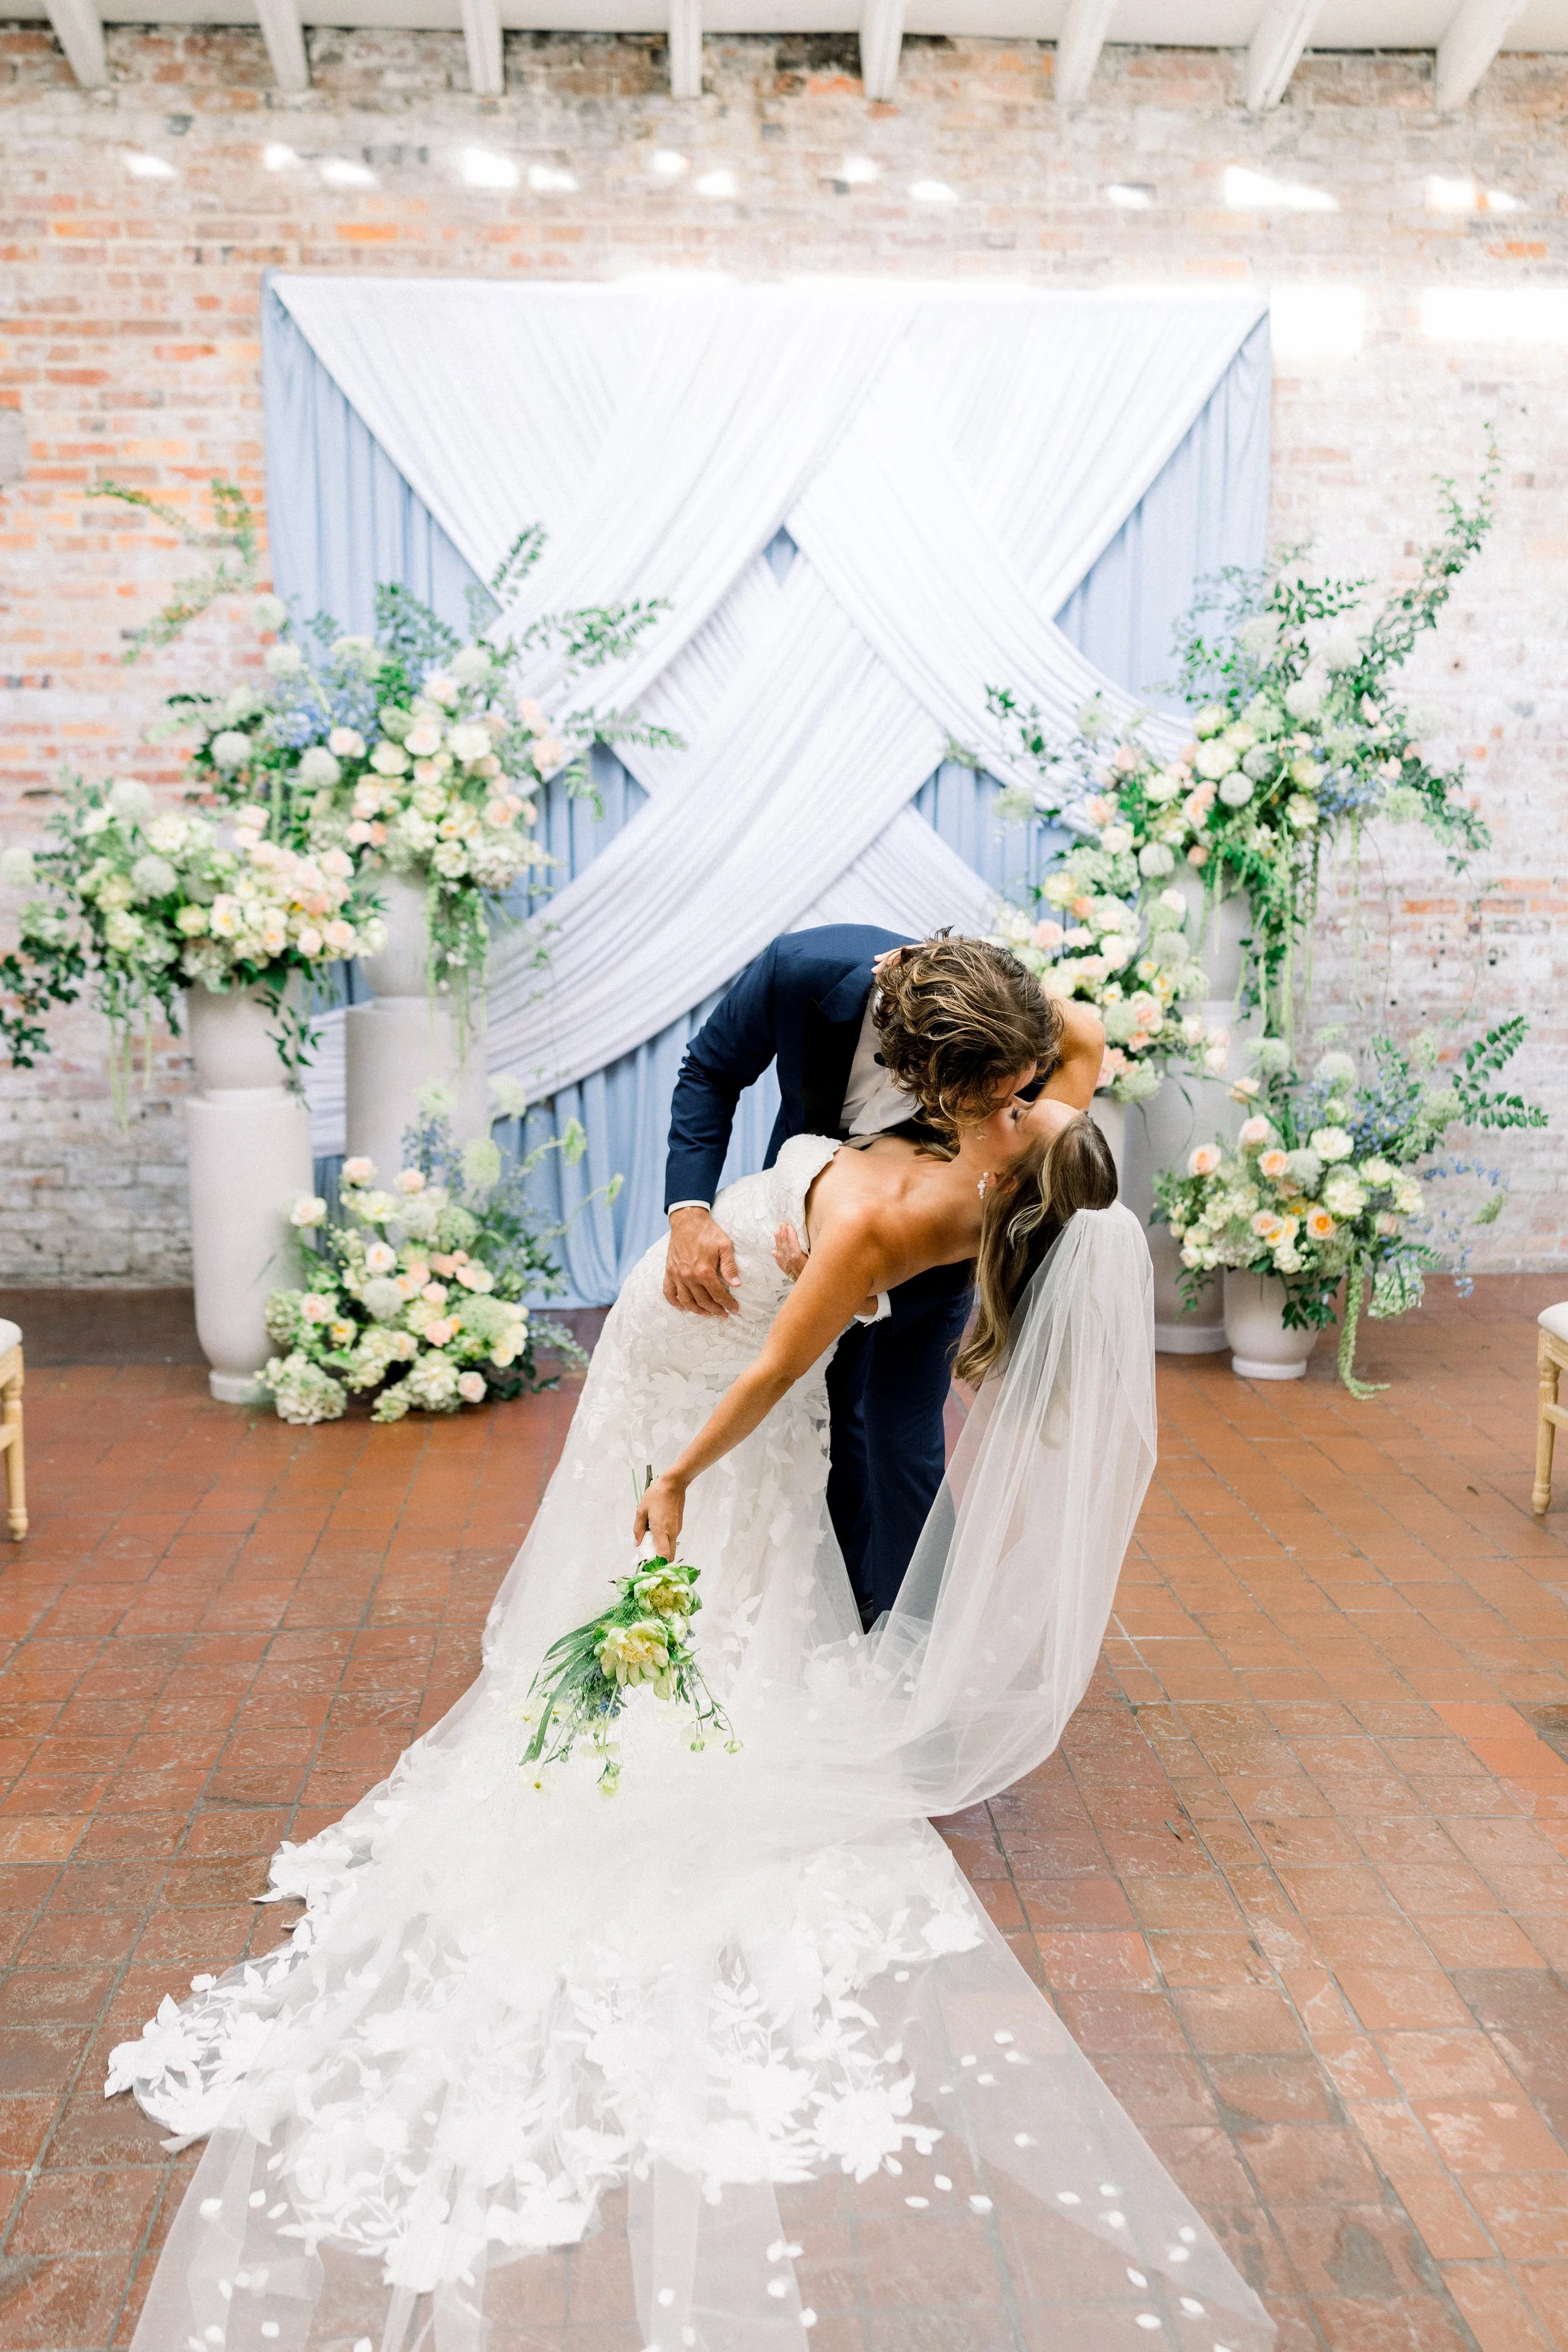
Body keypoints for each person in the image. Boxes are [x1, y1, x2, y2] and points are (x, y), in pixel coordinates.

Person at [108, 1072, 1272, 2352]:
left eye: (1018, 1118)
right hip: (689, 1337)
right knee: (723, 1579)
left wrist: (673, 1476)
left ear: (1006, 1177)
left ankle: (658, 1689)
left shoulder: (900, 1222)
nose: (1010, 1103)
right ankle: (658, 1652)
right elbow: (1052, 1059)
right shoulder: (982, 1168)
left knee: (707, 1565)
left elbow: (778, 1367)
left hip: (716, 1385)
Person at [662, 925, 1106, 1621]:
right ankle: (840, 1612)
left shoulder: (1010, 1042)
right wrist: (687, 1212)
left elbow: (1080, 1029)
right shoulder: (801, 971)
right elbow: (709, 1072)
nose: (1008, 1109)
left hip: (931, 1240)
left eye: (1014, 1099)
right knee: (828, 1419)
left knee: (901, 1436)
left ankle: (917, 1635)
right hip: (812, 1229)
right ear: (926, 1071)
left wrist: (977, 973)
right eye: (989, 1102)